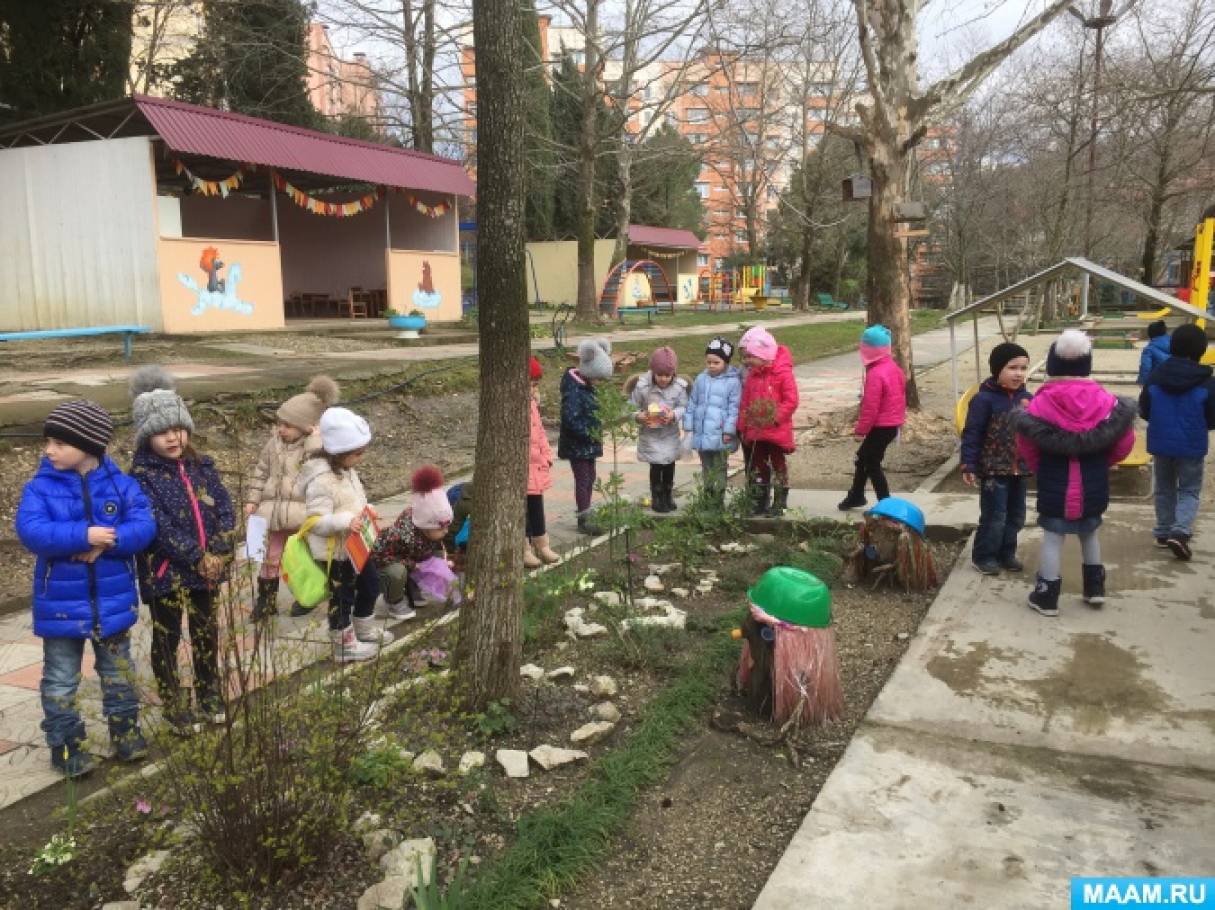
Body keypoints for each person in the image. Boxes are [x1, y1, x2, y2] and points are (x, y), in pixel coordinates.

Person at [15, 400, 156, 777]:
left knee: (119, 672)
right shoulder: (40, 488)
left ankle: (125, 732)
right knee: (60, 678)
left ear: (89, 446)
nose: (49, 450)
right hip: (60, 605)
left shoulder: (120, 484)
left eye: (60, 443)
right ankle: (65, 745)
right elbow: (32, 531)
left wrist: (111, 539)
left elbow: (143, 526)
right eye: (49, 442)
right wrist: (81, 535)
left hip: (112, 602)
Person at [129, 367, 237, 731]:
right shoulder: (142, 477)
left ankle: (209, 692)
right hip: (167, 574)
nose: (172, 438)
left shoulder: (202, 466)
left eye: (176, 428)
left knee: (207, 632)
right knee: (167, 639)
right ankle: (175, 703)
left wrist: (220, 552)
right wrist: (195, 556)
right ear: (146, 437)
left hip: (209, 569)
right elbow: (157, 525)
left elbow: (224, 507)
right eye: (160, 432)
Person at [1011, 329, 1136, 616]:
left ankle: (1047, 596)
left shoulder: (1041, 402)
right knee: (1090, 534)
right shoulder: (1105, 401)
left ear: (1053, 366)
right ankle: (1095, 589)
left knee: (1053, 538)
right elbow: (1125, 440)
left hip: (1055, 480)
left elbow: (1026, 443)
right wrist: (1105, 460)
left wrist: (1040, 467)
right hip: (1093, 480)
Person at [244, 375, 339, 621]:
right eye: (279, 423)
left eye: (287, 425)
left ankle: (310, 594)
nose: (281, 429)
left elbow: (319, 466)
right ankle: (265, 602)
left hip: (303, 517)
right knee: (271, 557)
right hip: (274, 515)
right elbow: (260, 472)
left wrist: (316, 437)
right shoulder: (273, 445)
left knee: (307, 558)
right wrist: (253, 499)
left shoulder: (315, 448)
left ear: (307, 427)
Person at [298, 406, 389, 662]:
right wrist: (346, 521)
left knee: (371, 585)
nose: (361, 457)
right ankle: (344, 644)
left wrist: (367, 510)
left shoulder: (348, 470)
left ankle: (364, 629)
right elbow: (315, 521)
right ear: (340, 452)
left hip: (357, 547)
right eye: (357, 453)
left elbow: (355, 499)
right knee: (342, 597)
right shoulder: (321, 480)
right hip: (336, 553)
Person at [1138, 323, 1215, 560]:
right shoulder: (1207, 382)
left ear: (1172, 347)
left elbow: (1144, 410)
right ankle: (1180, 532)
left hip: (1160, 443)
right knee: (1189, 489)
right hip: (1191, 444)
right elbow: (1212, 416)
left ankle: (1163, 531)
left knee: (1164, 487)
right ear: (1201, 350)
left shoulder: (1155, 378)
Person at [960, 342, 1033, 575]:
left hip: (1020, 469)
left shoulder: (1028, 400)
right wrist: (968, 464)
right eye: (1013, 367)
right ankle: (984, 556)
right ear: (997, 369)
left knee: (1017, 516)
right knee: (995, 516)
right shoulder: (984, 400)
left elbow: (1034, 434)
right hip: (992, 470)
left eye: (1023, 368)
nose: (1019, 373)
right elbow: (972, 433)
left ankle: (1006, 553)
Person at [838, 325, 906, 511]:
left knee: (871, 462)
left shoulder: (876, 374)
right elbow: (901, 396)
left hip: (880, 426)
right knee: (863, 458)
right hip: (891, 425)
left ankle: (886, 503)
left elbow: (870, 406)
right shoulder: (894, 368)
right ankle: (856, 495)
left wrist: (861, 430)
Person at [738, 328, 799, 516]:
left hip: (776, 430)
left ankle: (780, 501)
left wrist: (776, 417)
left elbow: (791, 400)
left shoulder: (782, 374)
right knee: (759, 465)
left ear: (763, 356)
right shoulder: (753, 376)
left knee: (778, 464)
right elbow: (745, 403)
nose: (746, 360)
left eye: (750, 356)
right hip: (757, 431)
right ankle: (759, 500)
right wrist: (743, 425)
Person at [372, 465, 456, 602]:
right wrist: (412, 565)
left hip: (417, 554)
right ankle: (394, 600)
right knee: (398, 572)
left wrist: (444, 559)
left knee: (437, 559)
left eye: (447, 527)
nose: (446, 531)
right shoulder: (402, 536)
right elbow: (380, 555)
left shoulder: (428, 530)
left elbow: (434, 548)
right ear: (426, 526)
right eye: (441, 528)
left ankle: (414, 587)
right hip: (394, 562)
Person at [560, 338, 613, 535]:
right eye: (598, 378)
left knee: (590, 477)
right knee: (583, 479)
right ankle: (583, 518)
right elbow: (570, 419)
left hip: (588, 444)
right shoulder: (574, 390)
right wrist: (589, 434)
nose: (599, 383)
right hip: (578, 444)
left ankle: (587, 510)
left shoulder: (586, 386)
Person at [683, 336, 742, 508]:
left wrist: (729, 431)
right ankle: (708, 496)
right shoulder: (701, 379)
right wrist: (688, 426)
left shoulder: (733, 381)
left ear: (725, 362)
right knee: (706, 467)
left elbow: (734, 408)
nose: (711, 366)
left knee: (719, 467)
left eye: (716, 362)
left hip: (720, 434)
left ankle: (718, 499)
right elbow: (692, 403)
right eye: (708, 362)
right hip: (702, 433)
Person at [629, 346, 689, 513]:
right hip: (651, 435)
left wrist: (674, 414)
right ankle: (657, 496)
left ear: (674, 374)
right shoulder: (642, 386)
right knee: (656, 466)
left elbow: (685, 406)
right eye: (660, 375)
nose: (663, 379)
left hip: (670, 434)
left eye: (667, 376)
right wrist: (638, 415)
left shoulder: (679, 387)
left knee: (669, 464)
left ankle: (668, 494)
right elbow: (630, 407)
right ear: (653, 371)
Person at [526, 356, 561, 566]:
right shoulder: (514, 407)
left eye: (535, 385)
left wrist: (547, 456)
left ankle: (542, 544)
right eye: (529, 385)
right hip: (523, 468)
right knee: (522, 511)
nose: (533, 389)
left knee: (537, 507)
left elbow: (540, 433)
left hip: (536, 466)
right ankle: (524, 547)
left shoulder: (532, 405)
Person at [1137, 320, 1171, 386]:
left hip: (1157, 385)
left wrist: (1142, 382)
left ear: (1150, 334)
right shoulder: (1176, 344)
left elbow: (1146, 368)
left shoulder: (1149, 350)